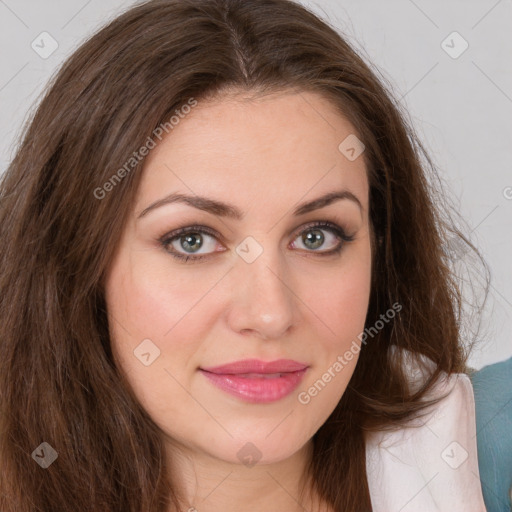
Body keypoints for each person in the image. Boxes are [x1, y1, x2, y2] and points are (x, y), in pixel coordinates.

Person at [0, 0, 491, 510]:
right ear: (76, 262)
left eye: (317, 237)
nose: (270, 314)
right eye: (192, 240)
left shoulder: (489, 456)